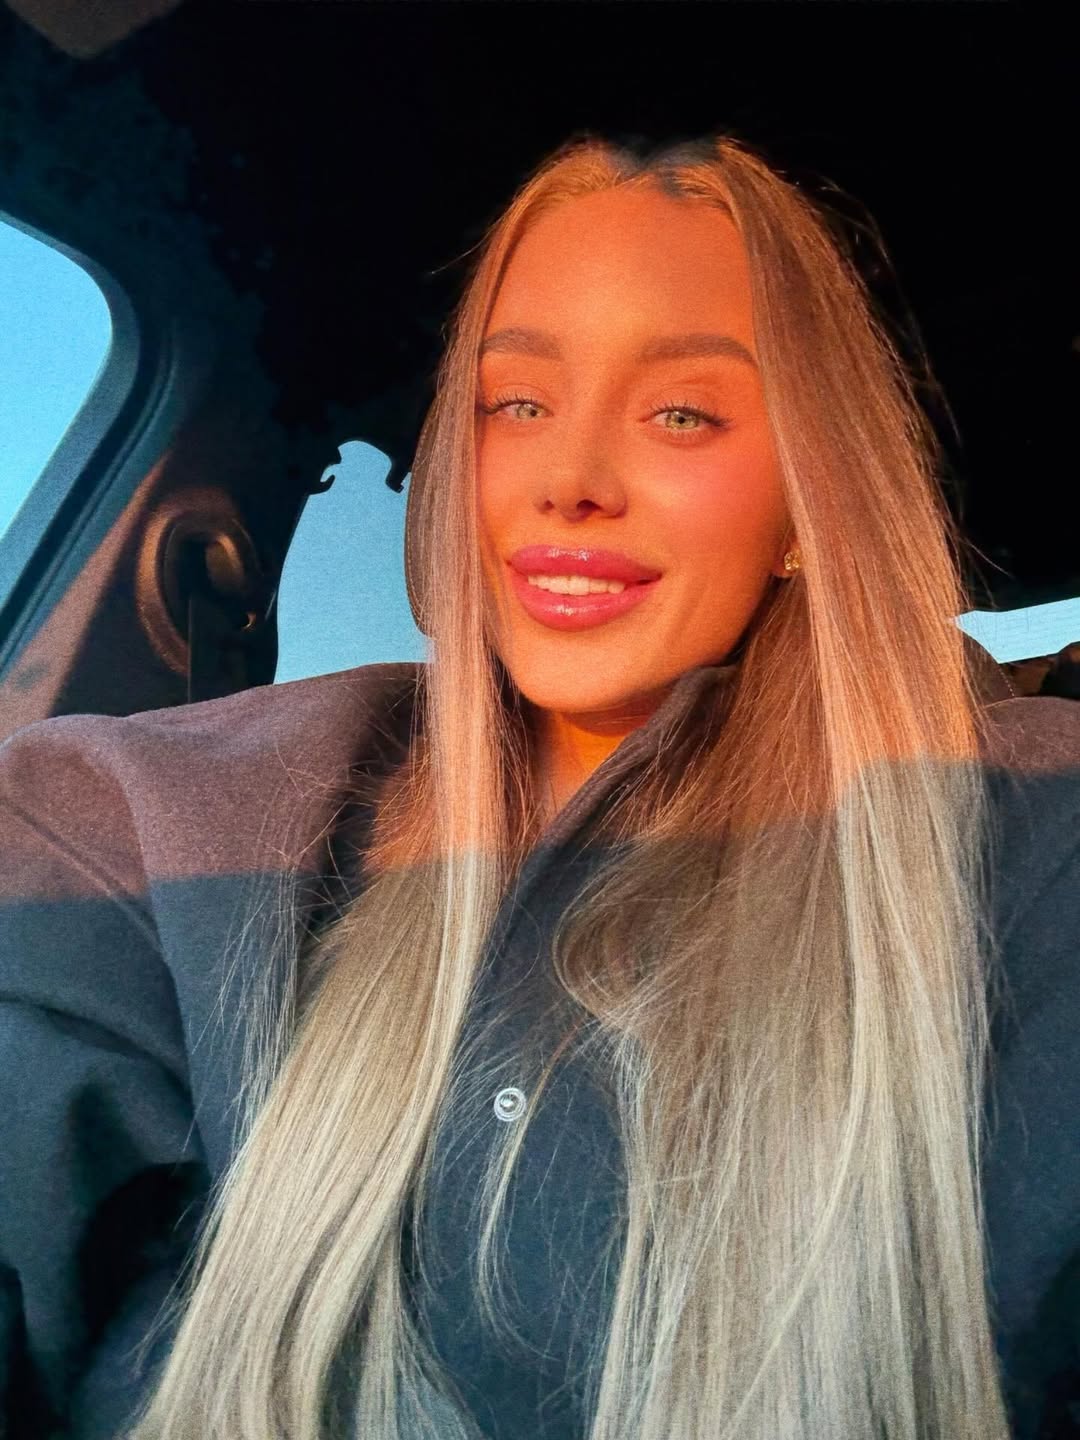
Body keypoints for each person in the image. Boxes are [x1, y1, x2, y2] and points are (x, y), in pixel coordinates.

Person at [1, 132, 1078, 1440]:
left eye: (681, 413)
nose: (569, 482)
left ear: (806, 503)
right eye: (516, 404)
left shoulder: (1020, 837)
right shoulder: (194, 813)